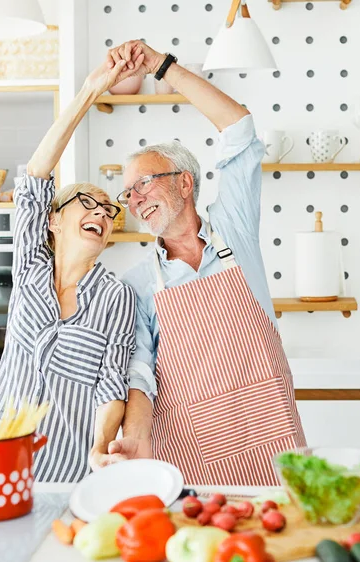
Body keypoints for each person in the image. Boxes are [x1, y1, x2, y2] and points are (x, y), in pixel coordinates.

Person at [96, 41, 307, 485]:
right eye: (127, 194)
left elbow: (239, 128)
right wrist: (134, 435)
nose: (133, 200)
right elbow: (139, 369)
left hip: (272, 433)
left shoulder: (234, 232)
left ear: (185, 183)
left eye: (144, 184)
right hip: (194, 449)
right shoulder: (136, 284)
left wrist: (160, 66)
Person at [0, 57, 144, 483]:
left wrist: (99, 449)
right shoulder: (30, 271)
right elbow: (36, 176)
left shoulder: (116, 296)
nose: (101, 212)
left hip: (67, 472)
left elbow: (112, 386)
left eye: (108, 210)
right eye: (86, 203)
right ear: (54, 220)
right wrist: (90, 92)